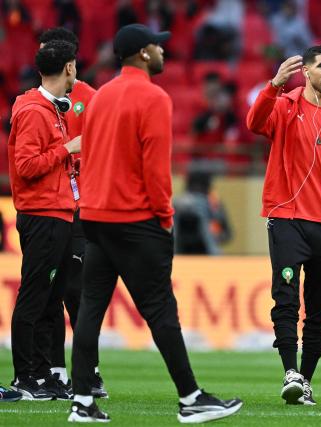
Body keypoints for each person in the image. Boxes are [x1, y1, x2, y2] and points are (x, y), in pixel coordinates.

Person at [69, 24, 243, 423]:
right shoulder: (153, 97)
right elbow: (156, 169)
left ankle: (82, 403)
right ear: (143, 53)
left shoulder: (99, 97)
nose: (163, 50)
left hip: (95, 218)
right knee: (161, 309)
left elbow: (89, 157)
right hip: (135, 219)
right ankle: (190, 398)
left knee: (89, 310)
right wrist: (165, 217)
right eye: (157, 45)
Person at [246, 45, 321, 405]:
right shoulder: (284, 106)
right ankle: (289, 370)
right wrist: (273, 86)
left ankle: (305, 379)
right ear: (306, 72)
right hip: (288, 218)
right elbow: (253, 123)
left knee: (319, 314)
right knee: (285, 299)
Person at [7, 40, 81, 400]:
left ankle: (43, 375)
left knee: (51, 301)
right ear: (68, 67)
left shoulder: (50, 109)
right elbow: (25, 167)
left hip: (59, 213)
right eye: (75, 66)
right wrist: (67, 150)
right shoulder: (35, 111)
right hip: (42, 215)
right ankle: (26, 378)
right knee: (35, 298)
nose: (76, 73)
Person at [38, 26, 107, 400]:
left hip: (82, 204)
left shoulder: (89, 99)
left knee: (76, 291)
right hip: (49, 202)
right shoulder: (34, 101)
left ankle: (90, 370)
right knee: (50, 290)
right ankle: (55, 369)